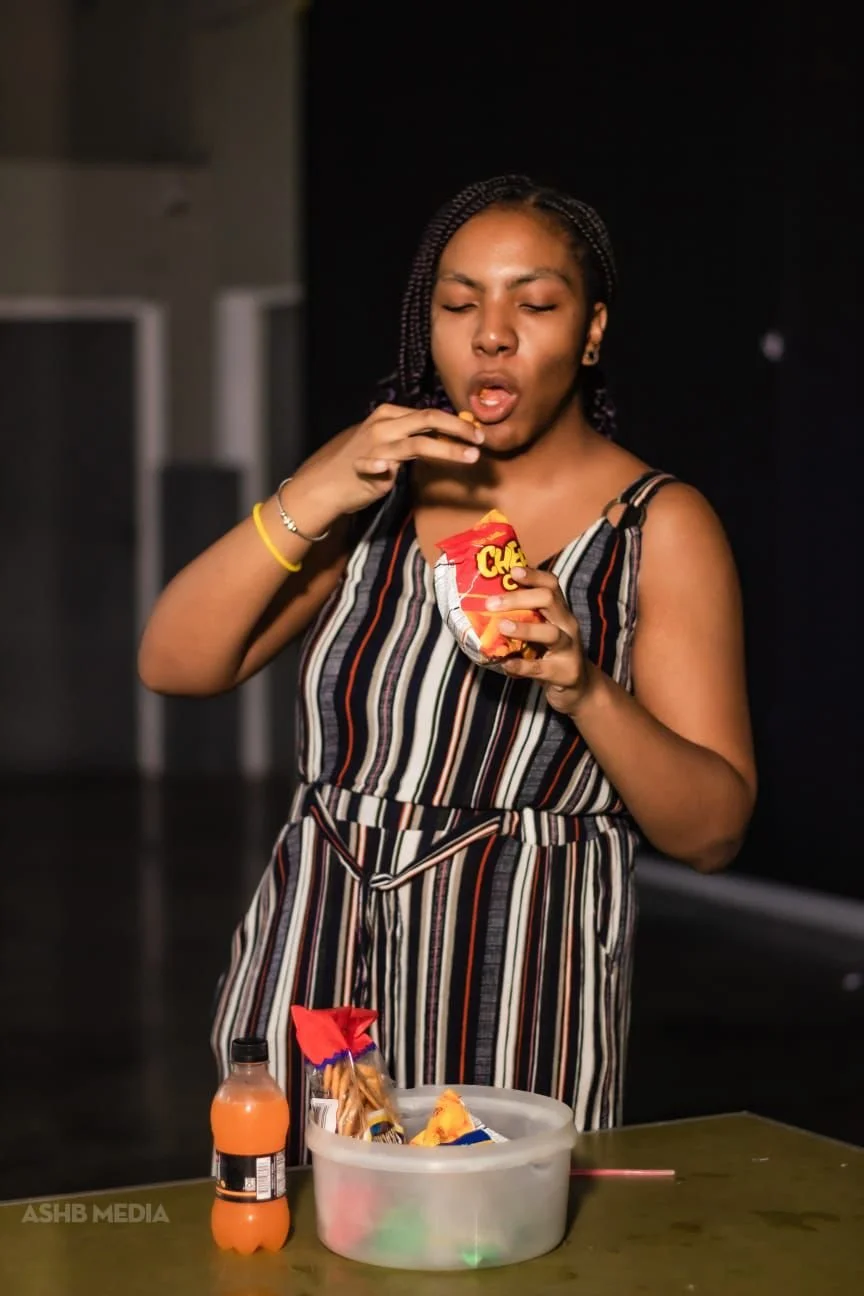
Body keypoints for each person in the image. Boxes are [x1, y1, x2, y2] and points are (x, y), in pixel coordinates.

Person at [138, 174, 756, 1163]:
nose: (492, 334)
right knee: (313, 1218)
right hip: (326, 965)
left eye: (535, 303)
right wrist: (314, 488)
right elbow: (174, 661)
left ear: (591, 331)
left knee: (475, 1241)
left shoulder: (657, 528)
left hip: (513, 965)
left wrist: (580, 684)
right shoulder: (373, 492)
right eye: (459, 303)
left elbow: (714, 829)